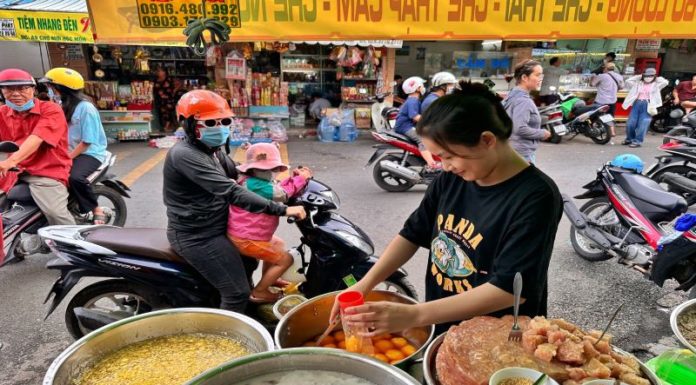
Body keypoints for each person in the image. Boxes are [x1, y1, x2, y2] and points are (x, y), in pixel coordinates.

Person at [329, 81, 562, 336]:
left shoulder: (536, 196)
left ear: (486, 140)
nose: (445, 165)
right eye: (439, 157)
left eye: (449, 156)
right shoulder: (452, 179)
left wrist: (415, 314)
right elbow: (412, 234)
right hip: (445, 323)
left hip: (500, 337)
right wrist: (364, 284)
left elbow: (509, 290)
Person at [163, 89, 306, 313]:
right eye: (210, 122)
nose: (219, 127)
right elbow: (232, 191)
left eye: (225, 121)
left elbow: (240, 176)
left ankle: (257, 295)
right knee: (236, 292)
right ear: (188, 124)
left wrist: (273, 168)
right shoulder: (185, 155)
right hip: (198, 235)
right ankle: (231, 340)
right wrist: (281, 209)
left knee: (252, 262)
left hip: (221, 225)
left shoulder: (213, 150)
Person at [228, 143, 312, 303]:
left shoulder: (255, 181)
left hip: (249, 235)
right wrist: (301, 178)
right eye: (266, 169)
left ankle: (269, 280)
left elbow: (278, 187)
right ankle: (259, 291)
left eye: (273, 169)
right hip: (246, 239)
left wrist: (293, 178)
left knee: (278, 244)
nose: (271, 173)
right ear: (253, 169)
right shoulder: (254, 185)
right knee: (286, 259)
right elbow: (283, 194)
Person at [0, 69, 75, 227]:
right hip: (14, 171)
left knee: (55, 213)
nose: (16, 94)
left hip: (46, 171)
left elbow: (37, 138)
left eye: (22, 88)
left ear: (33, 89)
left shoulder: (51, 109)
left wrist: (11, 161)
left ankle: (75, 246)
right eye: (9, 89)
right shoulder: (2, 113)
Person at [39, 68, 109, 224]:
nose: (50, 91)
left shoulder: (86, 108)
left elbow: (87, 142)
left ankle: (96, 209)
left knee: (75, 178)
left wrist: (66, 158)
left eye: (51, 88)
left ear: (61, 88)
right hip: (68, 151)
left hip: (90, 153)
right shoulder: (60, 105)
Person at [502, 60, 550, 163]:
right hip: (522, 154)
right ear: (524, 77)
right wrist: (542, 133)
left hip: (511, 151)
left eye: (541, 75)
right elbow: (520, 128)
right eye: (537, 75)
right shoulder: (523, 101)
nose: (540, 79)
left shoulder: (511, 95)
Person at [394, 76, 438, 169]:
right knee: (422, 140)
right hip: (405, 127)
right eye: (421, 85)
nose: (423, 87)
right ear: (417, 88)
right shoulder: (413, 101)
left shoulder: (414, 100)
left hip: (407, 125)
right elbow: (415, 117)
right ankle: (431, 164)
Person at [622, 68, 668, 148]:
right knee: (630, 123)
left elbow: (665, 82)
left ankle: (637, 141)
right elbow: (627, 81)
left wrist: (655, 78)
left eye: (650, 76)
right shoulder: (638, 83)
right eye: (646, 76)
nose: (648, 77)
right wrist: (640, 76)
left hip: (648, 105)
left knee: (643, 123)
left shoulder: (656, 85)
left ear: (654, 76)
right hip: (637, 103)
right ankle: (629, 139)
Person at [590, 62, 624, 139]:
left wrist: (592, 77)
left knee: (592, 115)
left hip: (601, 101)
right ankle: (612, 132)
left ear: (605, 68)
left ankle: (592, 128)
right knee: (610, 116)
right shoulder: (619, 76)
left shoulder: (601, 76)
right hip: (612, 101)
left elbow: (592, 84)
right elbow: (621, 87)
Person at [153, 67, 176, 132]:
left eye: (160, 71)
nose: (158, 73)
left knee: (167, 112)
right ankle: (164, 126)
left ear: (164, 72)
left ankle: (167, 126)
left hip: (168, 99)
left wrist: (171, 94)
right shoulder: (156, 80)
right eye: (158, 71)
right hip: (159, 99)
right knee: (161, 113)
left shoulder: (169, 79)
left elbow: (174, 87)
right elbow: (154, 89)